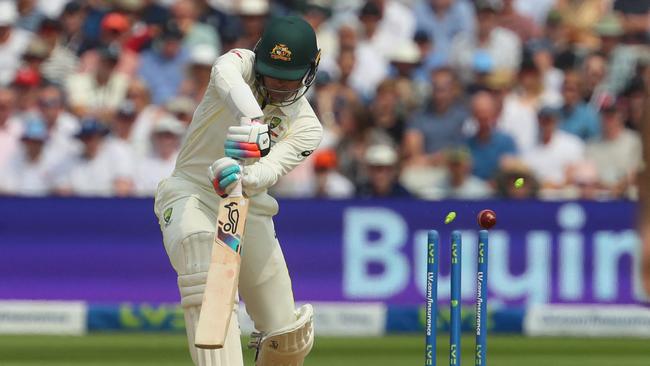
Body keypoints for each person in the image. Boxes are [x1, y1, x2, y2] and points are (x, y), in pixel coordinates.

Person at [153, 16, 321, 366]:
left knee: (287, 338)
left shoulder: (306, 127)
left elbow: (269, 170)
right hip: (192, 193)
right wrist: (253, 120)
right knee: (201, 261)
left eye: (287, 81)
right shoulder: (237, 64)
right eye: (271, 73)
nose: (276, 85)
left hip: (250, 208)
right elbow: (227, 79)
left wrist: (243, 178)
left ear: (310, 70)